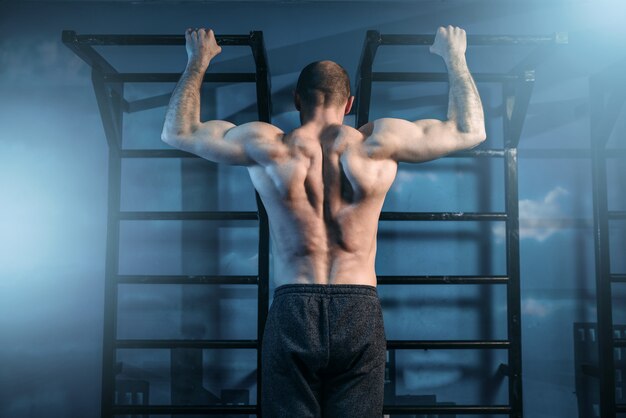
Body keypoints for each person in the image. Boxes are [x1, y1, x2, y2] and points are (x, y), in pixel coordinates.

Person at [162, 25, 485, 418]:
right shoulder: (378, 145)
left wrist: (199, 59)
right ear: (348, 103)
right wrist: (454, 55)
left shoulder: (267, 146)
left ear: (297, 99)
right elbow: (470, 130)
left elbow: (179, 131)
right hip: (359, 304)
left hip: (293, 305)